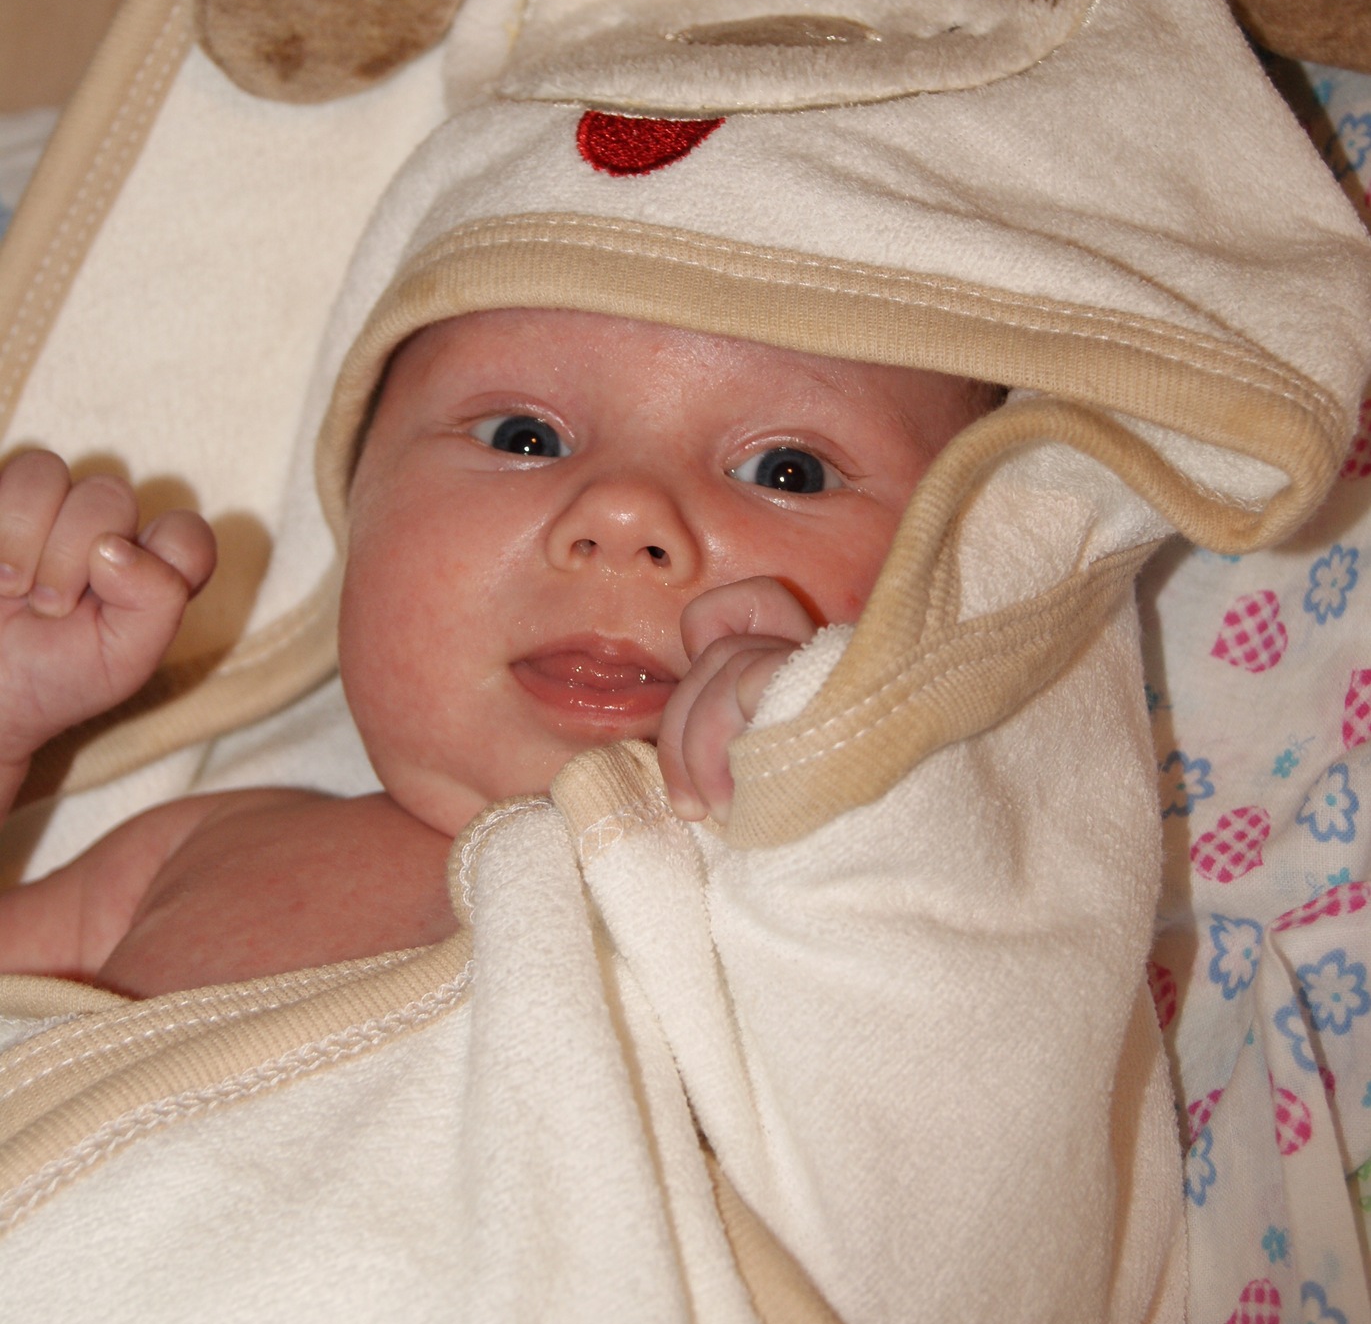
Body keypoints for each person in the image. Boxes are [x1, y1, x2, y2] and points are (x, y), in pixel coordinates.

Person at [0, 306, 991, 998]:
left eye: (788, 470)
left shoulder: (902, 904)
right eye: (524, 437)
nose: (622, 514)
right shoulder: (204, 851)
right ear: (356, 512)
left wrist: (824, 791)